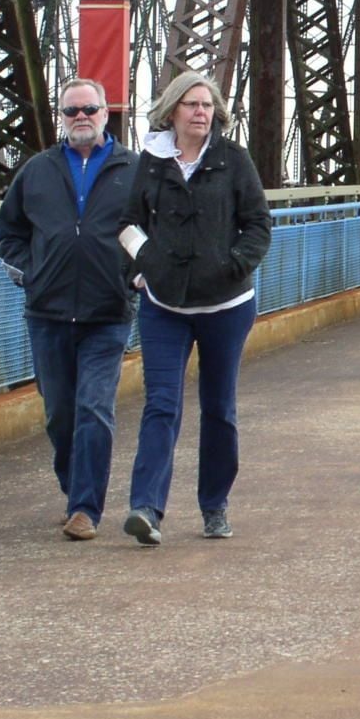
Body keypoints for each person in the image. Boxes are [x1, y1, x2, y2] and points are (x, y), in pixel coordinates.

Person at [119, 70, 272, 546]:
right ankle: (146, 508)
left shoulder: (234, 160)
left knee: (218, 407)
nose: (200, 112)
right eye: (191, 104)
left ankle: (214, 505)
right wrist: (145, 264)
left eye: (207, 105)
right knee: (161, 404)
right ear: (172, 112)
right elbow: (128, 223)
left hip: (227, 305)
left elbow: (258, 224)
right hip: (164, 305)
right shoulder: (152, 161)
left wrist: (234, 264)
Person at [0, 78, 139, 541]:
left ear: (105, 113)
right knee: (60, 414)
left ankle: (85, 509)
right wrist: (32, 274)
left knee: (93, 408)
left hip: (107, 312)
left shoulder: (133, 169)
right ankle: (73, 488)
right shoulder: (37, 171)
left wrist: (136, 274)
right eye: (71, 110)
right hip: (48, 313)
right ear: (61, 117)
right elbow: (9, 234)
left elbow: (154, 230)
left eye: (89, 109)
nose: (81, 117)